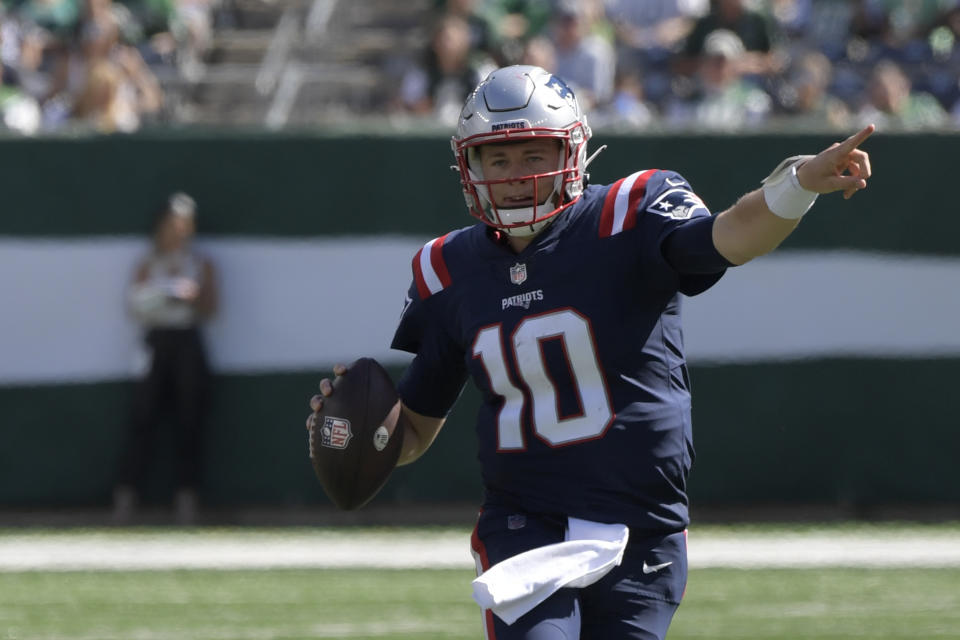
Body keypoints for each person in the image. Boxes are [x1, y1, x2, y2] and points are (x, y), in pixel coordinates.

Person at [307, 65, 873, 639]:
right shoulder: (449, 269)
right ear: (469, 167)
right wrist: (358, 434)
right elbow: (415, 432)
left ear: (572, 150)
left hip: (643, 523)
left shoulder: (629, 213)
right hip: (526, 523)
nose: (515, 176)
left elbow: (732, 236)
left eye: (533, 155)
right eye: (497, 160)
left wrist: (797, 184)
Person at [114, 192, 217, 525]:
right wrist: (162, 295)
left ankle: (187, 498)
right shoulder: (148, 263)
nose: (179, 230)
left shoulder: (201, 264)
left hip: (188, 343)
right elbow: (135, 306)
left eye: (185, 223)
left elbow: (211, 308)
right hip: (156, 343)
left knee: (190, 418)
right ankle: (126, 496)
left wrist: (192, 297)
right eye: (173, 223)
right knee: (142, 417)